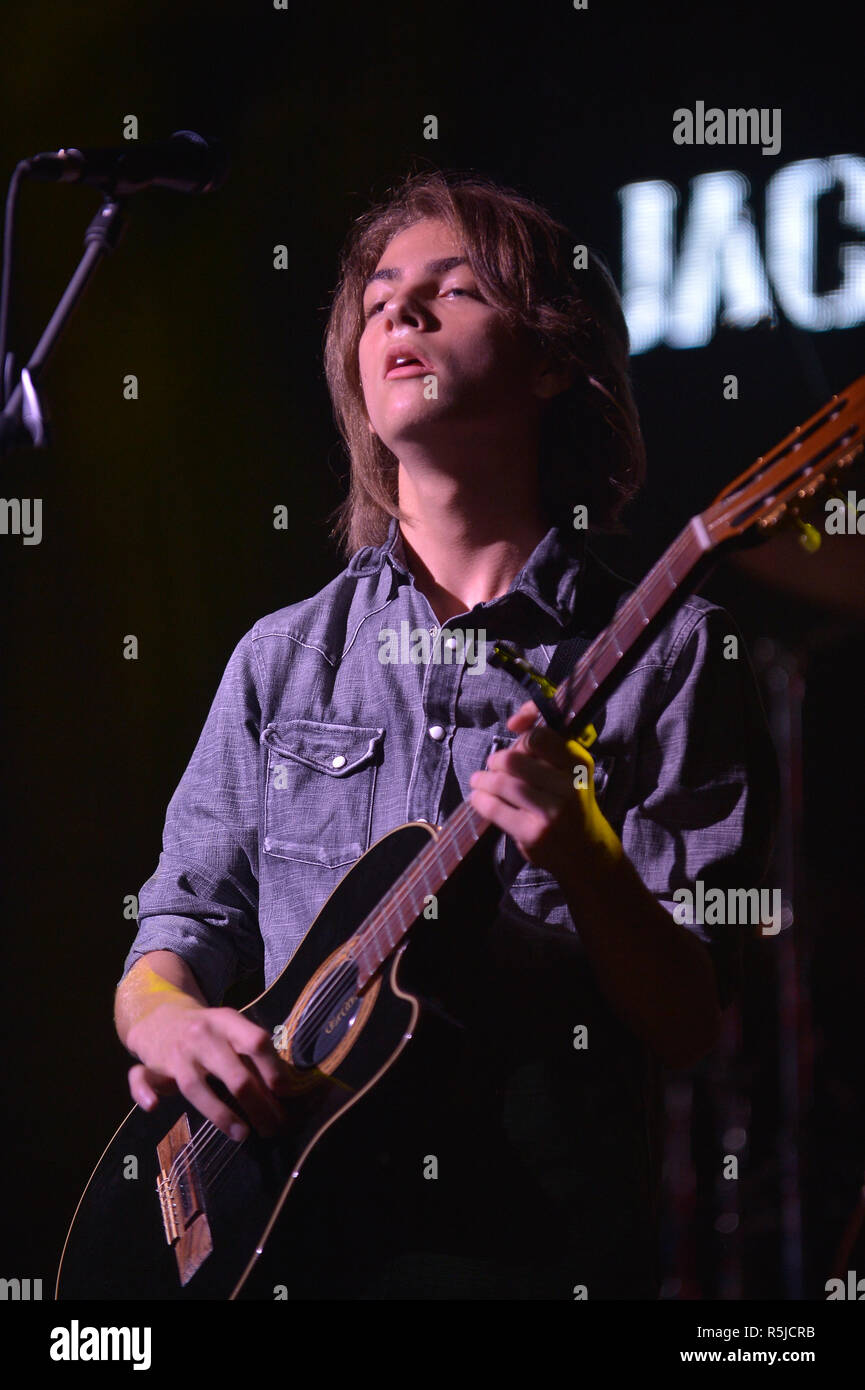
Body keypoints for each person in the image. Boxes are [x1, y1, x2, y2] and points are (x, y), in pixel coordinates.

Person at [114, 169, 778, 1299]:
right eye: (377, 302)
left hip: (535, 1247)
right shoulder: (282, 656)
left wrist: (581, 850)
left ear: (553, 359)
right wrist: (172, 1029)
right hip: (286, 1239)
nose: (399, 315)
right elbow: (175, 931)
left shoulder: (671, 653)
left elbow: (692, 1020)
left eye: (452, 290)